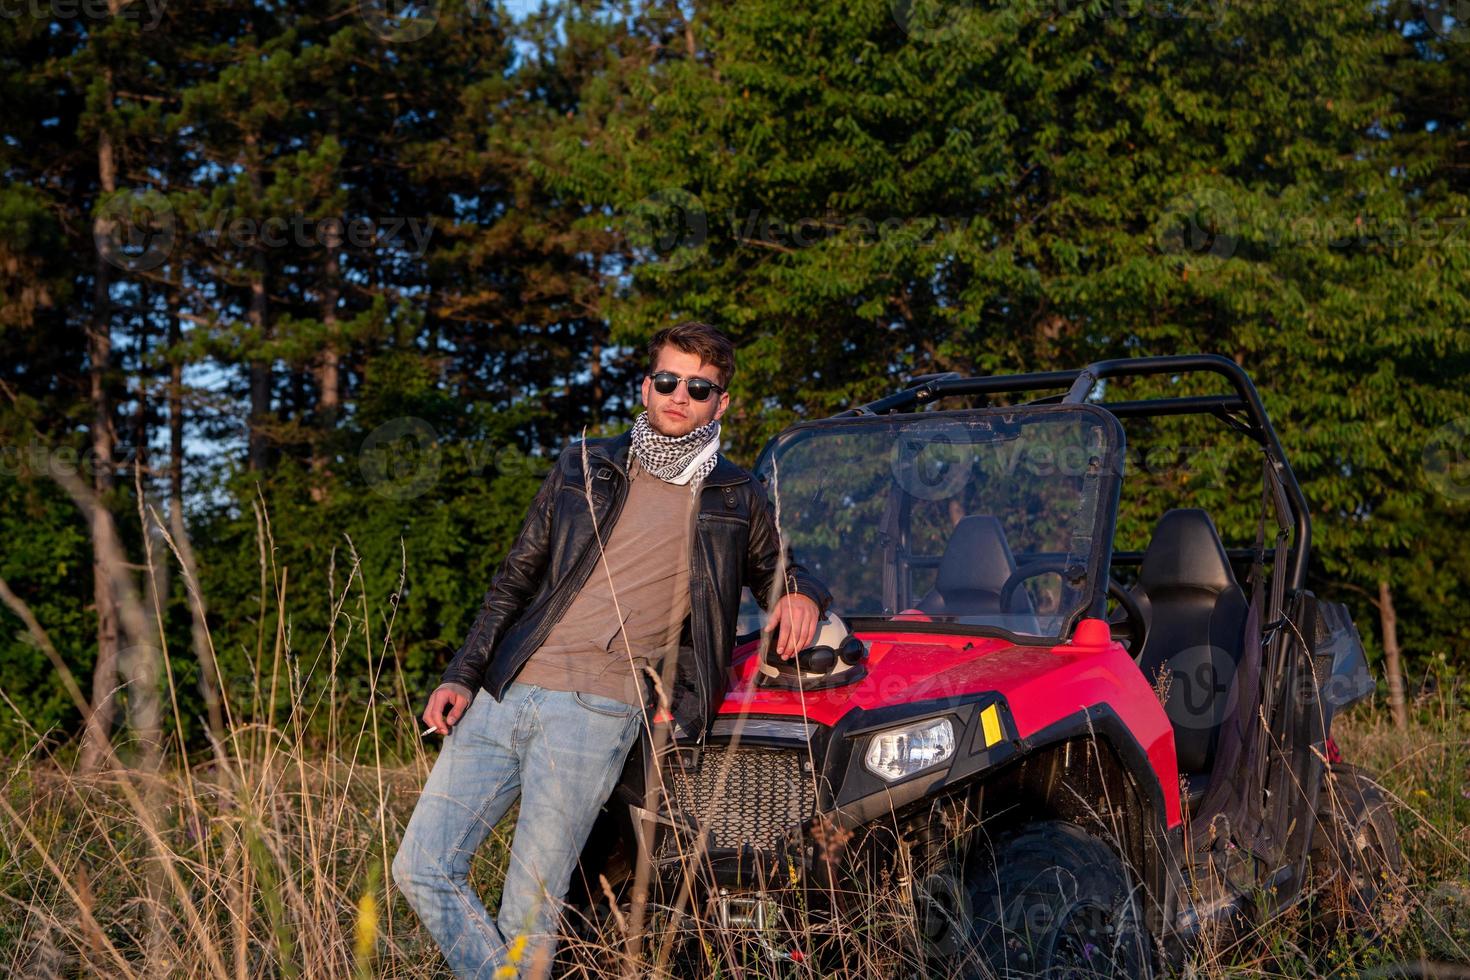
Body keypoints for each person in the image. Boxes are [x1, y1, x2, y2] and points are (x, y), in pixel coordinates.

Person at [391, 321, 831, 979]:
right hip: (505, 691)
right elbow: (516, 574)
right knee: (421, 867)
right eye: (668, 380)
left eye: (699, 388)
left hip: (597, 711)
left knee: (530, 910)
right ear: (646, 386)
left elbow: (783, 567)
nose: (679, 396)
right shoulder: (583, 465)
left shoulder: (734, 494)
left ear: (721, 404)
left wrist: (797, 594)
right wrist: (463, 672)